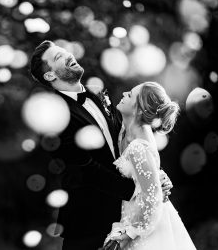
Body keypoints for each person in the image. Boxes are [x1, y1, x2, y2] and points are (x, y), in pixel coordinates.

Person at [29, 40, 173, 250]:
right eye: (59, 57)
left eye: (66, 51)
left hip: (123, 217)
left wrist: (154, 176)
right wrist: (142, 189)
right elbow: (83, 168)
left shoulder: (97, 95)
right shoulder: (55, 114)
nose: (69, 55)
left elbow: (129, 144)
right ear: (50, 75)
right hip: (88, 219)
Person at [103, 82, 196, 250]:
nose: (124, 93)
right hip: (133, 216)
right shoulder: (126, 130)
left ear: (139, 110)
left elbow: (152, 198)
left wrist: (129, 233)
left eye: (130, 95)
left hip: (144, 227)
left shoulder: (138, 146)